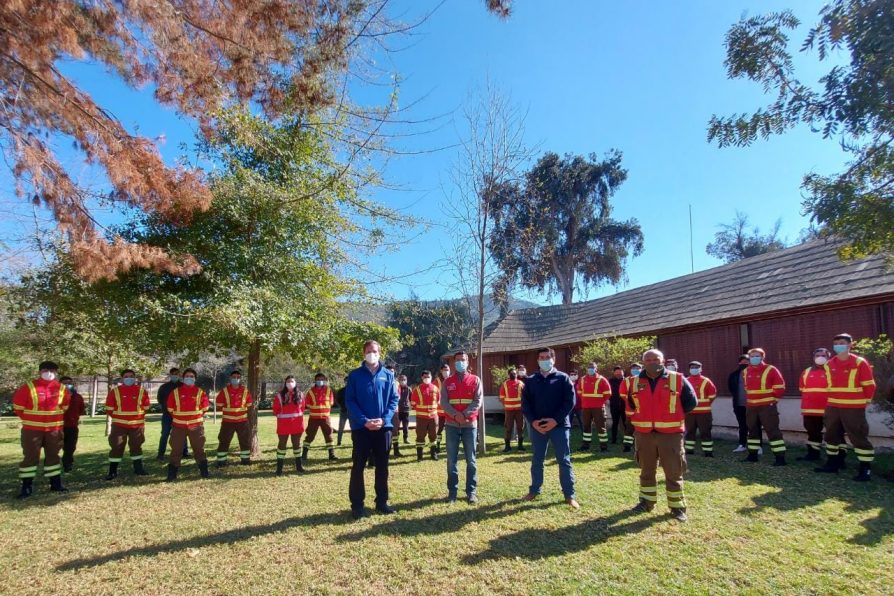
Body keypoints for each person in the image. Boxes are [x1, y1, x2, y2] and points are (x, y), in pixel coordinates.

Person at [628, 349, 698, 522]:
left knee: (674, 472)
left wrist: (670, 417)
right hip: (644, 435)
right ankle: (646, 502)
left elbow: (691, 402)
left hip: (671, 434)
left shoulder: (677, 379)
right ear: (644, 362)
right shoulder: (635, 381)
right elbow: (632, 403)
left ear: (663, 360)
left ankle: (677, 507)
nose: (652, 362)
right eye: (648, 360)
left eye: (656, 359)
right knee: (646, 471)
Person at [346, 340, 399, 519]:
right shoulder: (354, 376)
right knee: (358, 466)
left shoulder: (388, 375)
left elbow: (393, 400)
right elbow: (350, 401)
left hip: (383, 428)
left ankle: (382, 502)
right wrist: (364, 420)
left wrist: (384, 420)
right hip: (361, 428)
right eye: (368, 351)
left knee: (382, 466)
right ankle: (357, 506)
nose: (372, 353)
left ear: (380, 352)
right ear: (363, 353)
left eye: (374, 351)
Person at [521, 347, 579, 509]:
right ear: (538, 360)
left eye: (547, 357)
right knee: (537, 460)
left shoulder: (563, 378)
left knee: (564, 460)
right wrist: (533, 422)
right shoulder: (531, 380)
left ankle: (569, 495)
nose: (544, 359)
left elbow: (569, 402)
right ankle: (534, 491)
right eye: (541, 357)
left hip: (559, 426)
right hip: (537, 427)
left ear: (553, 359)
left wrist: (555, 420)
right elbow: (525, 404)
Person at [815, 333, 876, 481]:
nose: (838, 346)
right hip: (833, 406)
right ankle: (832, 464)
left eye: (842, 342)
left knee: (858, 436)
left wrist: (865, 402)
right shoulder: (829, 364)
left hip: (853, 407)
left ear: (850, 344)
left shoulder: (860, 362)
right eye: (836, 343)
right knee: (831, 435)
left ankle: (865, 469)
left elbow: (869, 385)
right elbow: (829, 385)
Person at [13, 361, 70, 498]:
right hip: (32, 430)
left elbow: (65, 406)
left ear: (56, 372)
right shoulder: (28, 387)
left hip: (54, 429)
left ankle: (55, 484)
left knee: (53, 456)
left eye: (52, 370)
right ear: (39, 371)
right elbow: (18, 407)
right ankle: (26, 487)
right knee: (30, 457)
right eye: (45, 370)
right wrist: (32, 420)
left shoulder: (61, 388)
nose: (49, 373)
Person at [441, 351, 482, 505]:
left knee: (471, 460)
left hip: (469, 425)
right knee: (452, 461)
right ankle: (452, 492)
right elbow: (444, 402)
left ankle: (471, 492)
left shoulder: (475, 380)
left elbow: (478, 401)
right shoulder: (447, 382)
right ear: (454, 362)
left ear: (467, 362)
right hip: (451, 425)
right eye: (457, 360)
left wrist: (464, 415)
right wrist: (454, 415)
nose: (460, 362)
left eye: (463, 360)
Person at [742, 348, 787, 466]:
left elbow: (780, 387)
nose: (754, 358)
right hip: (751, 407)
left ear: (762, 357)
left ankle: (780, 458)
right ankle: (752, 455)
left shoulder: (771, 369)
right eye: (752, 356)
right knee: (752, 431)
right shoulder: (746, 371)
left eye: (757, 356)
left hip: (767, 407)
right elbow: (747, 388)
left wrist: (773, 401)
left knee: (773, 431)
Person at [104, 369, 151, 480]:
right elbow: (109, 408)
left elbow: (146, 407)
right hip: (119, 426)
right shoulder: (115, 391)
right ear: (122, 378)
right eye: (126, 376)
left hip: (137, 426)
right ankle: (112, 472)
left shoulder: (142, 391)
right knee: (116, 447)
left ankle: (138, 469)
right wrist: (119, 418)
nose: (129, 378)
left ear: (135, 378)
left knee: (136, 447)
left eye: (131, 376)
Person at [166, 368, 210, 481]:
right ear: (183, 378)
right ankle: (172, 474)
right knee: (176, 450)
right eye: (187, 376)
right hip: (178, 427)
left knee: (199, 449)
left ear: (195, 379)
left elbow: (205, 408)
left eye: (191, 376)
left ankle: (204, 472)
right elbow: (170, 408)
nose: (189, 378)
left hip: (196, 427)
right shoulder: (175, 392)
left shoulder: (200, 392)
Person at [214, 369, 253, 467]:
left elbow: (249, 405)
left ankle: (245, 460)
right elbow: (218, 405)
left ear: (240, 379)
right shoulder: (224, 391)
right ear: (230, 378)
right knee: (224, 441)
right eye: (234, 377)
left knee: (244, 441)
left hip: (242, 422)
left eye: (238, 377)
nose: (236, 379)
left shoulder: (245, 391)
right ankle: (221, 462)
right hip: (228, 422)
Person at [798, 348, 831, 462]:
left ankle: (837, 459)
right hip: (810, 410)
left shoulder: (833, 371)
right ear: (813, 358)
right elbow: (802, 389)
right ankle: (813, 455)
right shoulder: (806, 372)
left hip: (830, 410)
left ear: (828, 357)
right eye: (817, 355)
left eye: (823, 355)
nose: (820, 357)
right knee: (812, 434)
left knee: (834, 434)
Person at [728, 355, 761, 454]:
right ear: (739, 363)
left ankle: (758, 446)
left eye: (746, 361)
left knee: (755, 425)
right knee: (742, 426)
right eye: (742, 362)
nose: (744, 363)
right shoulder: (734, 375)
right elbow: (731, 388)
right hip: (739, 405)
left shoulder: (756, 373)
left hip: (753, 405)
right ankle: (742, 444)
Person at [684, 361, 718, 457]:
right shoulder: (685, 380)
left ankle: (708, 452)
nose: (694, 369)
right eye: (692, 367)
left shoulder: (706, 381)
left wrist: (705, 404)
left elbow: (712, 395)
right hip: (690, 413)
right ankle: (689, 450)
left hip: (704, 413)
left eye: (696, 367)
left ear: (700, 369)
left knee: (705, 432)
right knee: (689, 431)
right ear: (689, 369)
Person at [273, 376, 305, 476]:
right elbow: (275, 409)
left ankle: (299, 466)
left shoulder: (300, 394)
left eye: (292, 381)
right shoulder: (279, 395)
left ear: (295, 382)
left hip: (297, 424)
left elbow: (303, 408)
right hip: (283, 425)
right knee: (282, 445)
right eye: (288, 381)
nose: (290, 383)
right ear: (285, 383)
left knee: (297, 445)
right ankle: (279, 468)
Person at [577, 362, 611, 452]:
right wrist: (586, 401)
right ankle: (585, 445)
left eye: (592, 367)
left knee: (601, 427)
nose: (590, 369)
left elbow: (608, 393)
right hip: (586, 407)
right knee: (586, 426)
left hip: (598, 407)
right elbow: (579, 392)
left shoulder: (602, 379)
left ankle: (604, 447)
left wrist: (599, 401)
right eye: (589, 367)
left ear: (596, 369)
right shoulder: (582, 379)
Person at [303, 372, 337, 462]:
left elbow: (331, 402)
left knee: (328, 435)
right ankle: (304, 454)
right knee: (310, 436)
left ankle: (331, 455)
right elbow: (307, 403)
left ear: (324, 380)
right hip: (313, 418)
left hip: (325, 418)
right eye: (318, 380)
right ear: (315, 380)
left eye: (322, 379)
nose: (320, 381)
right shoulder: (310, 391)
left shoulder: (329, 390)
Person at [157, 367, 188, 461]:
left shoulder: (183, 386)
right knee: (165, 434)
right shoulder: (164, 387)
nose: (175, 376)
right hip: (167, 415)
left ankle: (185, 452)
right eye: (173, 374)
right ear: (170, 375)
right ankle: (160, 454)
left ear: (179, 375)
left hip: (180, 415)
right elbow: (160, 400)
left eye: (177, 374)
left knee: (183, 434)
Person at [411, 370, 440, 461]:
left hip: (433, 418)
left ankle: (433, 454)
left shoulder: (435, 389)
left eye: (428, 377)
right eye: (425, 377)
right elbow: (413, 404)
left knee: (433, 436)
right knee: (420, 436)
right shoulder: (417, 389)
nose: (427, 378)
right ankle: (420, 456)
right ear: (422, 378)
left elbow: (438, 402)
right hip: (421, 418)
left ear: (431, 377)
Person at [60, 376, 85, 472]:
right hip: (58, 426)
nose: (67, 385)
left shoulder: (78, 397)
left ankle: (68, 464)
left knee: (70, 447)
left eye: (69, 383)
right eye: (64, 383)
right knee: (54, 447)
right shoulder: (55, 396)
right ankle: (50, 464)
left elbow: (81, 409)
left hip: (72, 426)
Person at [498, 367, 525, 452]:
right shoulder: (504, 384)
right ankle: (507, 447)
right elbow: (502, 397)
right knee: (508, 428)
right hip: (509, 411)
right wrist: (506, 406)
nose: (513, 374)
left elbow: (525, 397)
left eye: (515, 373)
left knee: (520, 427)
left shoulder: (521, 383)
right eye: (512, 373)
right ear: (508, 375)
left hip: (519, 410)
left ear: (517, 374)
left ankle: (520, 446)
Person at [617, 363, 642, 453]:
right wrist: (632, 401)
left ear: (641, 369)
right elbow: (622, 394)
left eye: (637, 368)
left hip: (644, 411)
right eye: (633, 368)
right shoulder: (626, 381)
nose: (635, 370)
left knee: (642, 429)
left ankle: (641, 446)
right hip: (630, 410)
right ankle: (627, 446)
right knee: (629, 429)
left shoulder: (645, 379)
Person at [608, 367, 627, 446]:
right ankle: (613, 439)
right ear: (614, 373)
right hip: (614, 405)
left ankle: (628, 440)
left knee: (626, 423)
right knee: (614, 423)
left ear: (623, 372)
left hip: (625, 405)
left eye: (620, 372)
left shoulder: (627, 380)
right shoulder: (610, 381)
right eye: (616, 372)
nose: (618, 373)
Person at [393, 374, 412, 453]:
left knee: (405, 426)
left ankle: (405, 438)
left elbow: (411, 398)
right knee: (396, 427)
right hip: (398, 411)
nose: (403, 381)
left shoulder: (409, 389)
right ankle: (395, 438)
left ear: (406, 380)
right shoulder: (397, 388)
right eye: (401, 379)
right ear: (398, 380)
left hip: (406, 410)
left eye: (404, 379)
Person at [434, 363, 450, 453]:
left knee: (451, 430)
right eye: (444, 369)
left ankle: (450, 446)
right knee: (439, 430)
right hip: (440, 412)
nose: (446, 371)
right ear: (441, 370)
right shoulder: (436, 381)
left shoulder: (452, 380)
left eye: (447, 369)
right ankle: (437, 446)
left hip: (450, 411)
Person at [335, 376, 349, 446]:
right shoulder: (341, 391)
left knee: (354, 428)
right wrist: (340, 407)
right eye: (346, 381)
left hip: (352, 413)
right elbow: (337, 400)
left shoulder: (355, 390)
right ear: (344, 382)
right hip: (343, 412)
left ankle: (355, 441)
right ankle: (339, 442)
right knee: (341, 428)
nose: (347, 382)